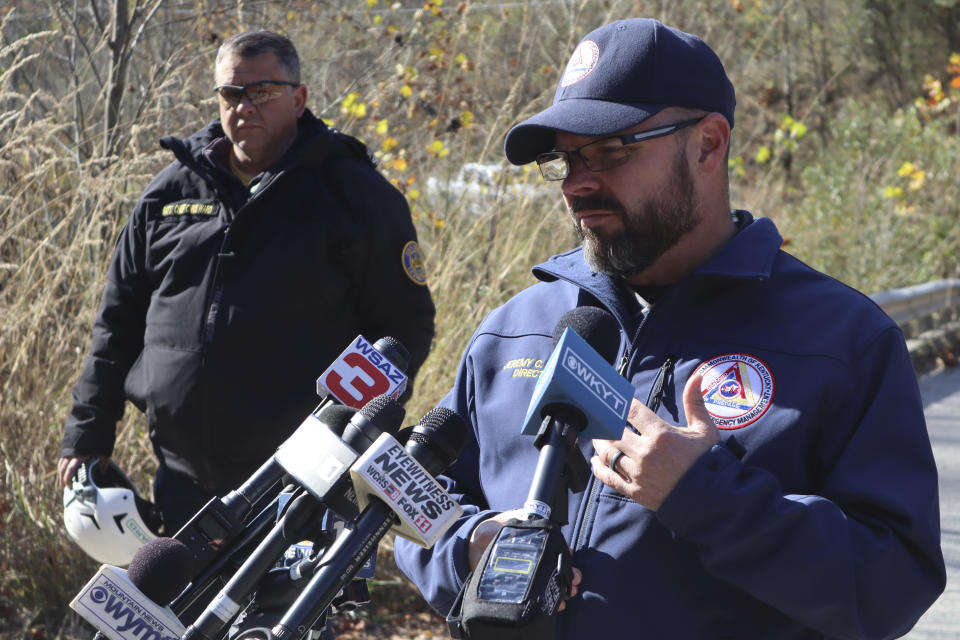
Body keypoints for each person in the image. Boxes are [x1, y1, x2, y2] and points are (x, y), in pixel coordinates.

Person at [394, 18, 945, 639]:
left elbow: (893, 587)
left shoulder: (842, 341)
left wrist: (706, 497)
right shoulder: (514, 329)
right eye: (565, 159)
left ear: (709, 144)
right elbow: (421, 506)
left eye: (610, 150)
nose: (578, 184)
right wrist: (463, 548)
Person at [59, 30, 435, 533]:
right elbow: (117, 322)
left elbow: (402, 330)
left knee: (277, 615)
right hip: (180, 479)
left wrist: (351, 431)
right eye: (230, 94)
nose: (243, 107)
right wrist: (89, 432)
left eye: (261, 92)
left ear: (298, 99)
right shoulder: (169, 194)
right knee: (182, 612)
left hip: (298, 483)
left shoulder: (355, 196)